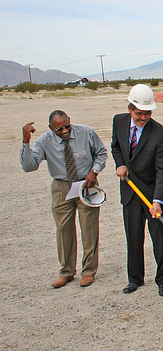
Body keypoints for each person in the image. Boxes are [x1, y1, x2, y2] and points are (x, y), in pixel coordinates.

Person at [21, 110, 108, 289]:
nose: (64, 131)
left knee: (89, 229)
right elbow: (29, 166)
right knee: (63, 229)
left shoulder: (86, 132)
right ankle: (67, 272)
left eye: (67, 126)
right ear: (51, 128)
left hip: (87, 184)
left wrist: (95, 171)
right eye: (59, 129)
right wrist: (25, 141)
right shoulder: (44, 141)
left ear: (70, 121)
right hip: (62, 187)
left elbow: (101, 153)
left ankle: (88, 271)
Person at [112, 84, 163, 297]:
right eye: (139, 113)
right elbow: (116, 146)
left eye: (148, 113)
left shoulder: (159, 133)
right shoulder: (118, 122)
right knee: (134, 237)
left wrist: (158, 200)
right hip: (129, 192)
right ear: (130, 108)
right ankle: (135, 279)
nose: (144, 117)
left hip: (152, 193)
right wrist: (120, 163)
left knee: (161, 239)